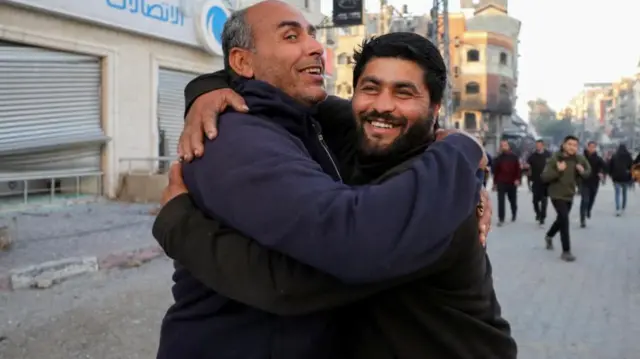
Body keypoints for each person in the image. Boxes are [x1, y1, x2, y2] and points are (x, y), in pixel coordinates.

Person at [154, 3, 494, 358]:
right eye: (291, 36)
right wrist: (206, 88)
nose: (383, 105)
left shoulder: (436, 190)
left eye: (405, 93)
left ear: (435, 109)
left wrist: (461, 148)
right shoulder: (243, 138)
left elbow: (298, 280)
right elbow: (305, 273)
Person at [541, 135, 591, 262]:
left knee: (561, 219)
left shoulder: (579, 159)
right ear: (564, 145)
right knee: (564, 219)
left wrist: (582, 171)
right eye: (569, 144)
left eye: (575, 145)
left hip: (569, 193)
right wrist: (558, 170)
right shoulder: (555, 158)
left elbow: (588, 171)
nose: (572, 147)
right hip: (556, 194)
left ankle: (549, 235)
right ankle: (566, 251)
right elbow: (544, 177)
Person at [492, 139, 521, 226]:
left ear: (508, 146)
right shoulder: (498, 158)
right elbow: (495, 171)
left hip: (512, 181)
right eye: (502, 145)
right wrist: (495, 183)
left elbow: (518, 169)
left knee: (512, 200)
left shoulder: (514, 157)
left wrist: (517, 179)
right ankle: (501, 219)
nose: (503, 147)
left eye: (505, 145)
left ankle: (514, 213)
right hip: (501, 181)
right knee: (501, 201)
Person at [579, 141, 606, 227]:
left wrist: (601, 173)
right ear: (587, 147)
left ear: (595, 148)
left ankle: (588, 210)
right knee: (585, 200)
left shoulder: (598, 158)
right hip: (584, 182)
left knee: (591, 199)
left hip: (594, 182)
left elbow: (605, 167)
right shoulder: (582, 158)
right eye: (590, 147)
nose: (591, 149)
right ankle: (582, 219)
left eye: (593, 147)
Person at [526, 139, 551, 225]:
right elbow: (527, 165)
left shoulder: (548, 155)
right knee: (535, 201)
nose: (538, 147)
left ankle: (542, 217)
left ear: (543, 145)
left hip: (545, 181)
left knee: (544, 200)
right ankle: (538, 213)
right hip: (536, 181)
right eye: (537, 145)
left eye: (539, 145)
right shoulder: (533, 156)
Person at [608, 143, 633, 216]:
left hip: (616, 177)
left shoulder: (614, 156)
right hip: (625, 177)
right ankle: (623, 207)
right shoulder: (628, 156)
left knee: (617, 194)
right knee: (624, 193)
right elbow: (631, 167)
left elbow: (610, 166)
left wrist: (611, 174)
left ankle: (617, 208)